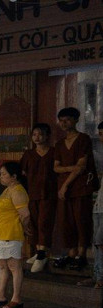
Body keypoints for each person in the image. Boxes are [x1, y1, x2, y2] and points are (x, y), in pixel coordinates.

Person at [52, 107, 97, 270]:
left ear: (76, 120)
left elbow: (81, 167)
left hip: (80, 187)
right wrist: (71, 168)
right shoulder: (59, 144)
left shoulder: (83, 139)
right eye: (61, 121)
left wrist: (65, 184)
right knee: (67, 221)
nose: (64, 123)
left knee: (81, 219)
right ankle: (71, 253)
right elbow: (56, 168)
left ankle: (82, 254)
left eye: (67, 120)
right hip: (64, 189)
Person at [0, 162, 31, 308]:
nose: (1, 176)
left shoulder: (18, 191)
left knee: (14, 267)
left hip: (10, 234)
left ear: (14, 176)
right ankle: (0, 296)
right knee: (2, 266)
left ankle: (16, 298)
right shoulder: (7, 189)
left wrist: (23, 228)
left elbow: (25, 214)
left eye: (4, 174)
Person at [20, 123, 56, 272]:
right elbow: (23, 174)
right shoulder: (29, 154)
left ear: (47, 136)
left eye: (40, 134)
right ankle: (38, 251)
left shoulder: (53, 152)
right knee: (34, 222)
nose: (37, 137)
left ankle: (42, 254)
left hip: (49, 193)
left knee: (44, 222)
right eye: (34, 134)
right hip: (32, 193)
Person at [90, 121, 103, 289]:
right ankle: (97, 275)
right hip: (99, 204)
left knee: (100, 242)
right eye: (100, 134)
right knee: (97, 243)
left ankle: (100, 276)